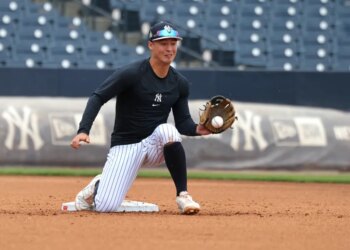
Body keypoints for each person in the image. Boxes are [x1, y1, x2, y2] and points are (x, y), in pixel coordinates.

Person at [70, 21, 211, 215]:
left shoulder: (180, 83)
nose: (169, 49)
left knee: (167, 130)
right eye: (163, 43)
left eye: (173, 43)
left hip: (155, 145)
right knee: (106, 206)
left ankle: (183, 195)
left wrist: (199, 129)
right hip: (126, 145)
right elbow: (98, 97)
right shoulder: (131, 74)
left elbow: (183, 124)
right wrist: (83, 130)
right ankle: (99, 184)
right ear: (151, 45)